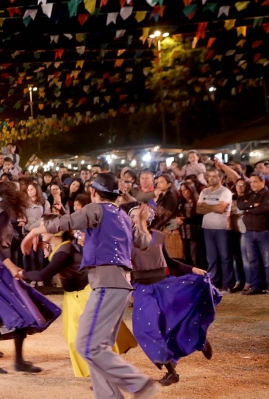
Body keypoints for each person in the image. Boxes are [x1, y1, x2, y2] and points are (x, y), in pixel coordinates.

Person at [23, 173, 158, 399]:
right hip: (120, 285)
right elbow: (144, 242)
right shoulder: (123, 216)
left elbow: (65, 221)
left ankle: (139, 383)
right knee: (97, 349)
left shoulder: (97, 209)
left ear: (94, 192)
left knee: (87, 346)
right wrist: (142, 221)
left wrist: (36, 230)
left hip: (107, 284)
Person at [22, 216, 137, 378]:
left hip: (84, 295)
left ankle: (104, 370)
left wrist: (21, 273)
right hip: (74, 296)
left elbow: (43, 275)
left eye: (43, 226)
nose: (40, 230)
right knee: (75, 337)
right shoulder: (60, 247)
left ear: (56, 231)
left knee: (87, 337)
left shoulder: (65, 250)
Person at [0, 184, 62, 374]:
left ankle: (2, 360)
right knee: (16, 307)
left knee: (10, 308)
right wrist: (10, 265)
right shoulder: (2, 213)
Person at [128, 201, 219, 385]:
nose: (134, 219)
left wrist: (193, 270)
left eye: (137, 215)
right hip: (142, 289)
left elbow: (171, 263)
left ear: (148, 217)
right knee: (144, 330)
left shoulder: (159, 237)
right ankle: (172, 371)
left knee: (173, 323)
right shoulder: (126, 240)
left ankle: (199, 340)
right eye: (131, 216)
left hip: (163, 286)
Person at [238, 173, 269, 296]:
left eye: (255, 181)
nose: (252, 184)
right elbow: (240, 204)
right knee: (253, 261)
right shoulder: (250, 194)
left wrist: (249, 209)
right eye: (251, 182)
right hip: (249, 233)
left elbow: (265, 207)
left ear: (263, 182)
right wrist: (251, 206)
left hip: (264, 232)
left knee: (268, 262)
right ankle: (256, 286)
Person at [197, 170, 234, 291]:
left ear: (221, 179)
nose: (211, 178)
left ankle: (227, 284)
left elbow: (221, 208)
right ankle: (213, 283)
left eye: (214, 176)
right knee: (211, 258)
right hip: (207, 228)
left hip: (221, 228)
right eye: (209, 176)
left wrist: (206, 205)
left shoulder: (225, 191)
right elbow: (198, 209)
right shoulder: (204, 191)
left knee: (224, 257)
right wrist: (214, 206)